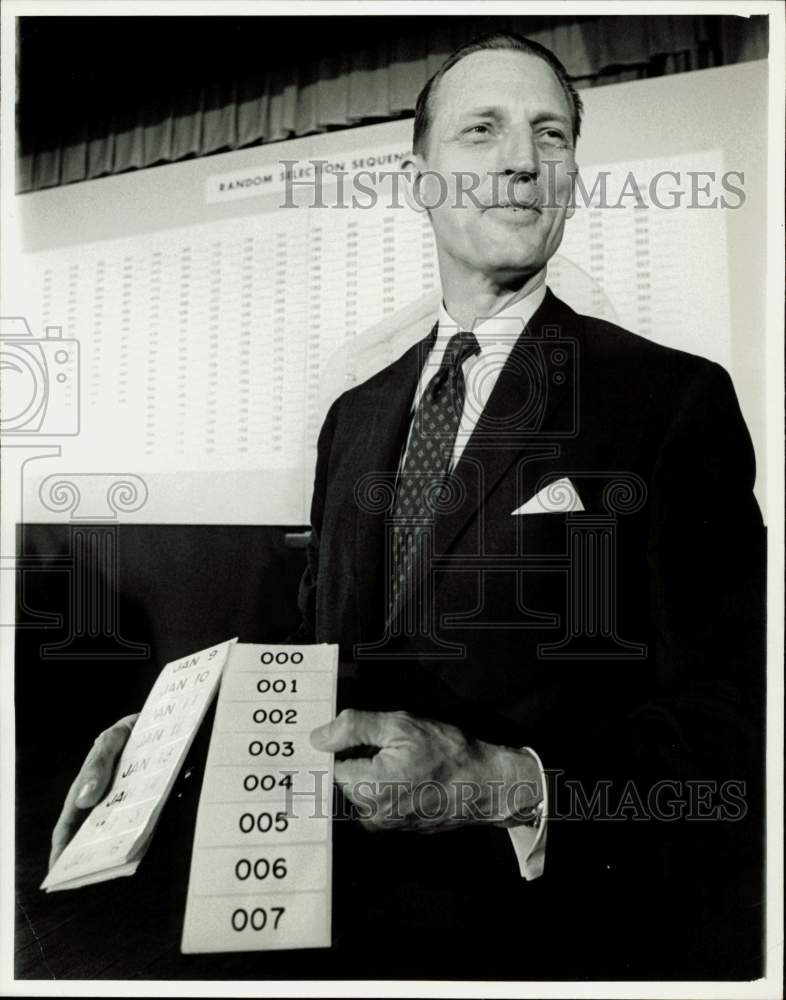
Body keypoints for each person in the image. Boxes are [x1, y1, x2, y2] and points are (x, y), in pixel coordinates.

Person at [50, 32, 765, 979]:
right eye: (483, 131)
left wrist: (502, 785)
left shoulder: (673, 400)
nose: (522, 161)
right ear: (419, 177)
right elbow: (317, 658)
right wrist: (169, 741)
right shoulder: (356, 414)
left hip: (551, 940)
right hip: (340, 927)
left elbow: (737, 713)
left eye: (552, 135)